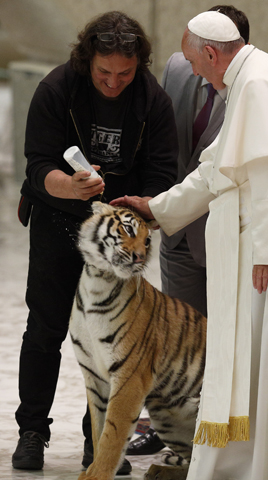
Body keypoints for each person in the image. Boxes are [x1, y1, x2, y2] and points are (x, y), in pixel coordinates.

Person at [112, 10, 268, 480]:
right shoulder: (248, 76)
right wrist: (159, 209)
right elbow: (216, 166)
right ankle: (264, 456)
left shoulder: (256, 85)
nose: (194, 73)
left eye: (197, 64)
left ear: (213, 54)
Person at [13, 10, 178, 476]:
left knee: (113, 341)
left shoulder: (153, 101)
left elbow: (164, 175)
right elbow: (37, 164)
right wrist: (68, 186)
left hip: (119, 233)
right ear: (87, 61)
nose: (113, 82)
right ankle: (32, 431)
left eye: (124, 74)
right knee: (46, 327)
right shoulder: (56, 89)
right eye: (104, 72)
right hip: (58, 218)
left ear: (139, 66)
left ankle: (99, 441)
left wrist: (140, 205)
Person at [126, 4, 250, 457]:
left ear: (224, 55)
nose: (195, 64)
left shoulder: (253, 91)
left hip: (226, 235)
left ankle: (223, 426)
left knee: (222, 334)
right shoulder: (179, 66)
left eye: (203, 55)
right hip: (175, 228)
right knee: (175, 333)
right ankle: (167, 424)